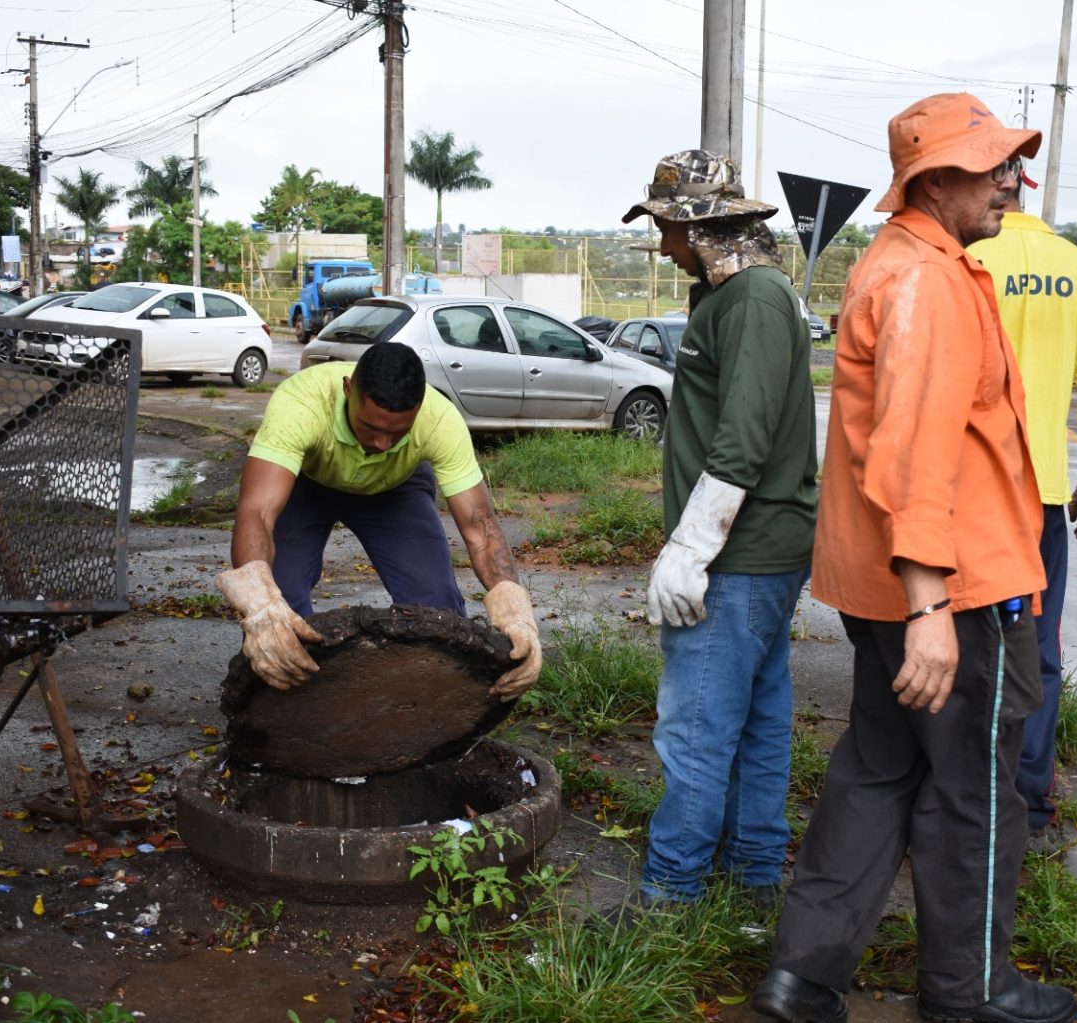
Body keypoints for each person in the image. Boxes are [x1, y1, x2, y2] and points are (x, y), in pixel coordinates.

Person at [750, 93, 1077, 1023]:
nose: (1011, 180)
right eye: (992, 165)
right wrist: (933, 606)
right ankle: (969, 990)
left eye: (1010, 162)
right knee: (974, 790)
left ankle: (800, 978)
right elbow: (912, 452)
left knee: (877, 769)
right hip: (950, 592)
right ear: (935, 180)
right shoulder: (927, 282)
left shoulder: (902, 264)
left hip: (896, 583)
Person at [619, 150, 817, 906]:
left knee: (697, 727)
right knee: (758, 720)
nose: (664, 247)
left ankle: (671, 894)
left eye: (667, 229)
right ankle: (754, 879)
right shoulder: (728, 297)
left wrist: (691, 548)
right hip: (758, 552)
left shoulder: (755, 301)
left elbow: (744, 438)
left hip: (741, 556)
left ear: (698, 226)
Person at [215, 343, 541, 698]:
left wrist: (515, 612)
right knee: (282, 600)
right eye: (369, 426)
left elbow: (482, 527)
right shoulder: (301, 403)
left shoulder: (439, 419)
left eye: (398, 432)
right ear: (347, 390)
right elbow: (257, 512)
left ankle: (435, 700)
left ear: (417, 410)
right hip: (307, 483)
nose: (382, 443)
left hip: (394, 489)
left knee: (436, 603)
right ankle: (289, 698)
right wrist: (259, 606)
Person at [968, 186, 1077, 849]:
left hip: (974, 491)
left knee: (968, 641)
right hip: (1046, 497)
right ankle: (1027, 801)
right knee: (1041, 645)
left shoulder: (973, 255)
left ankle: (966, 788)